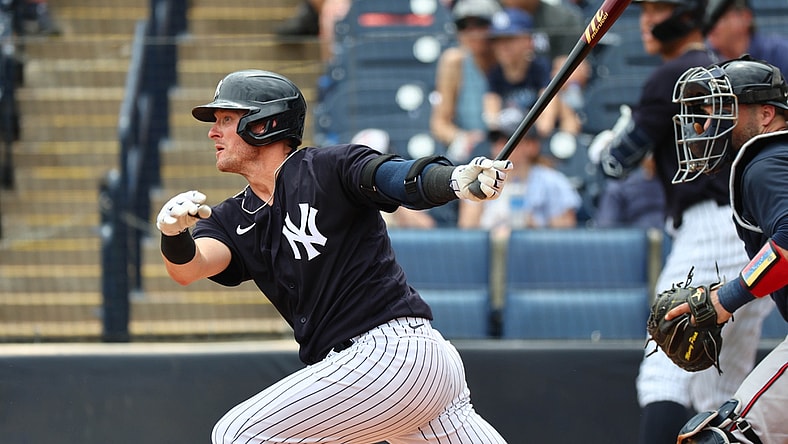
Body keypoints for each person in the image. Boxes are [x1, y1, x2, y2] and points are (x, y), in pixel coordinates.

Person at [155, 69, 512, 443]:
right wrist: (173, 234)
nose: (214, 131)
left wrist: (454, 179)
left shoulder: (327, 167)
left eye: (227, 120)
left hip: (391, 354)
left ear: (265, 124)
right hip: (394, 373)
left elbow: (395, 177)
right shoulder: (231, 217)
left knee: (238, 435)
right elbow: (191, 268)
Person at [591, 1, 773, 443]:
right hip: (753, 234)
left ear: (689, 15)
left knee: (663, 372)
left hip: (710, 233)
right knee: (723, 394)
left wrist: (606, 146)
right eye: (646, 11)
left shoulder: (672, 76)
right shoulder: (725, 72)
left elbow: (615, 164)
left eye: (661, 9)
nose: (648, 20)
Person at [667, 55, 788, 444]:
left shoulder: (764, 162)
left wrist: (727, 298)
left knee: (731, 436)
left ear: (766, 114)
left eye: (723, 110)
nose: (705, 126)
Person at [458, 107, 581, 235]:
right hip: (489, 251)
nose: (501, 145)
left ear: (532, 146)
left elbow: (565, 240)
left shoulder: (553, 182)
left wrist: (531, 225)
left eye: (509, 139)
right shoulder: (479, 180)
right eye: (497, 139)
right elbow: (466, 236)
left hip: (534, 252)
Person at [483, 7, 555, 139]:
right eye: (497, 41)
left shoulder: (540, 67)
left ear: (528, 40)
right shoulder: (495, 74)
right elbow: (491, 120)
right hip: (509, 139)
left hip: (537, 139)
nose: (503, 46)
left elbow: (546, 122)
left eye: (510, 39)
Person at [705, 0, 788, 75]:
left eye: (720, 19)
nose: (711, 27)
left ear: (745, 17)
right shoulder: (704, 59)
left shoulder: (780, 54)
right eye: (707, 20)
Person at [594, 154, 666, 230]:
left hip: (672, 234)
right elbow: (606, 230)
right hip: (635, 236)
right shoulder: (618, 187)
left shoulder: (673, 178)